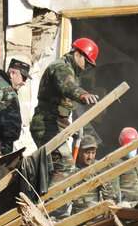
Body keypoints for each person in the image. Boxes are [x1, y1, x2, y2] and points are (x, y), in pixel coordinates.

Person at [29, 38, 100, 182]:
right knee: (65, 164)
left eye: (90, 66)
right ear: (77, 55)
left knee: (51, 169)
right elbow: (67, 86)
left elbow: (65, 102)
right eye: (87, 63)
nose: (87, 68)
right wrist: (83, 95)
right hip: (46, 124)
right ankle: (51, 203)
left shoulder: (71, 71)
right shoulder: (61, 67)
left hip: (54, 125)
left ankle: (45, 200)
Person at [69, 134, 107, 214]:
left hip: (94, 213)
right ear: (79, 151)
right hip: (75, 214)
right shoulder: (71, 168)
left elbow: (108, 191)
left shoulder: (98, 167)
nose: (90, 157)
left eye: (93, 153)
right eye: (87, 153)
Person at [112, 127, 138, 204]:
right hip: (126, 206)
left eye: (134, 147)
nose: (132, 150)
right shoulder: (116, 164)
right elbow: (113, 191)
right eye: (129, 147)